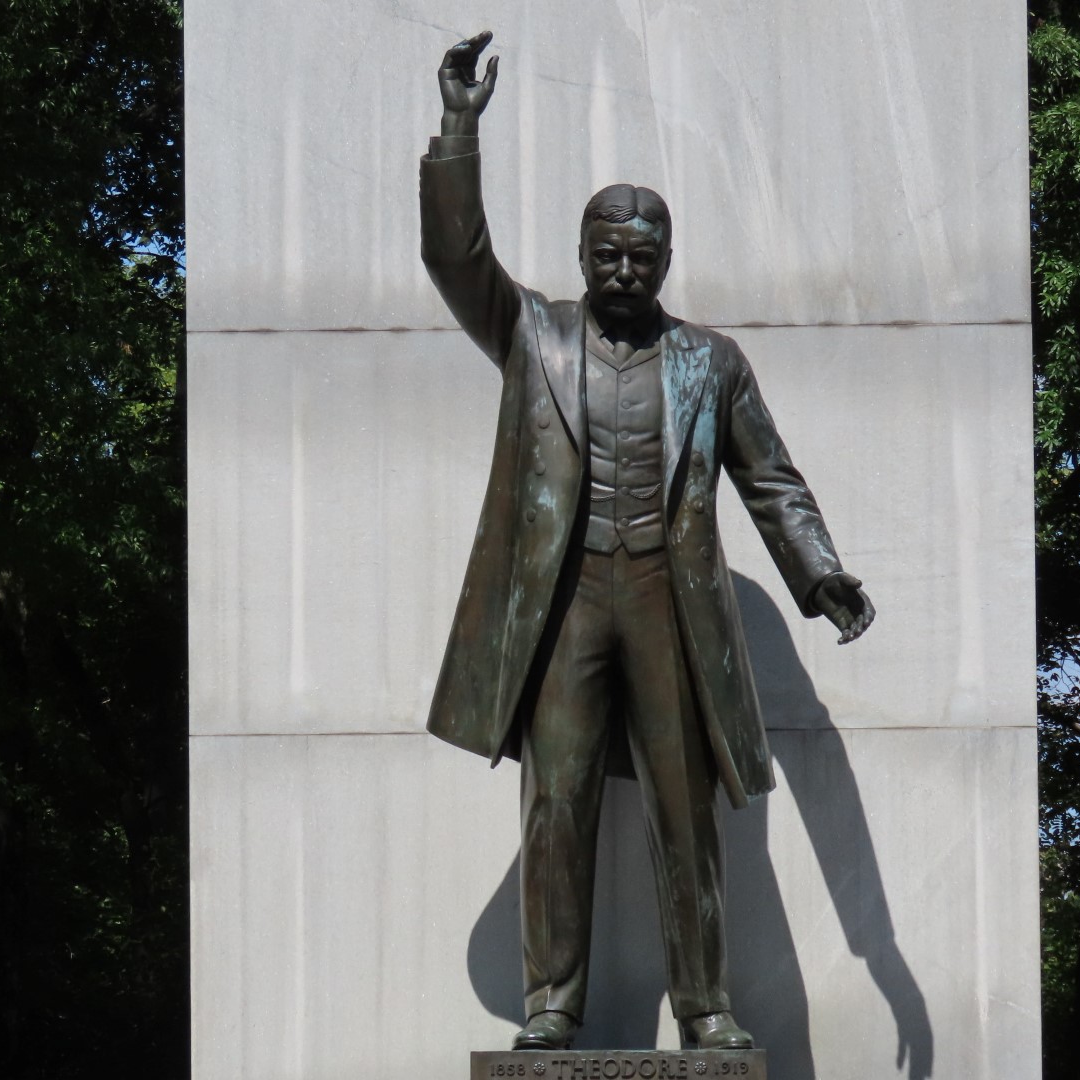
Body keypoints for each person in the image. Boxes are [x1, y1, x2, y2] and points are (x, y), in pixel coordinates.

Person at [420, 31, 874, 1052]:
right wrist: (458, 127)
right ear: (582, 258)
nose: (625, 270)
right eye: (607, 254)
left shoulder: (709, 361)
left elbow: (769, 476)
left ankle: (705, 1004)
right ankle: (553, 1003)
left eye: (644, 256)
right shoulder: (534, 334)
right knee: (557, 806)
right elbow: (455, 257)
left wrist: (819, 573)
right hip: (564, 604)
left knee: (686, 813)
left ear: (667, 261)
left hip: (672, 607)